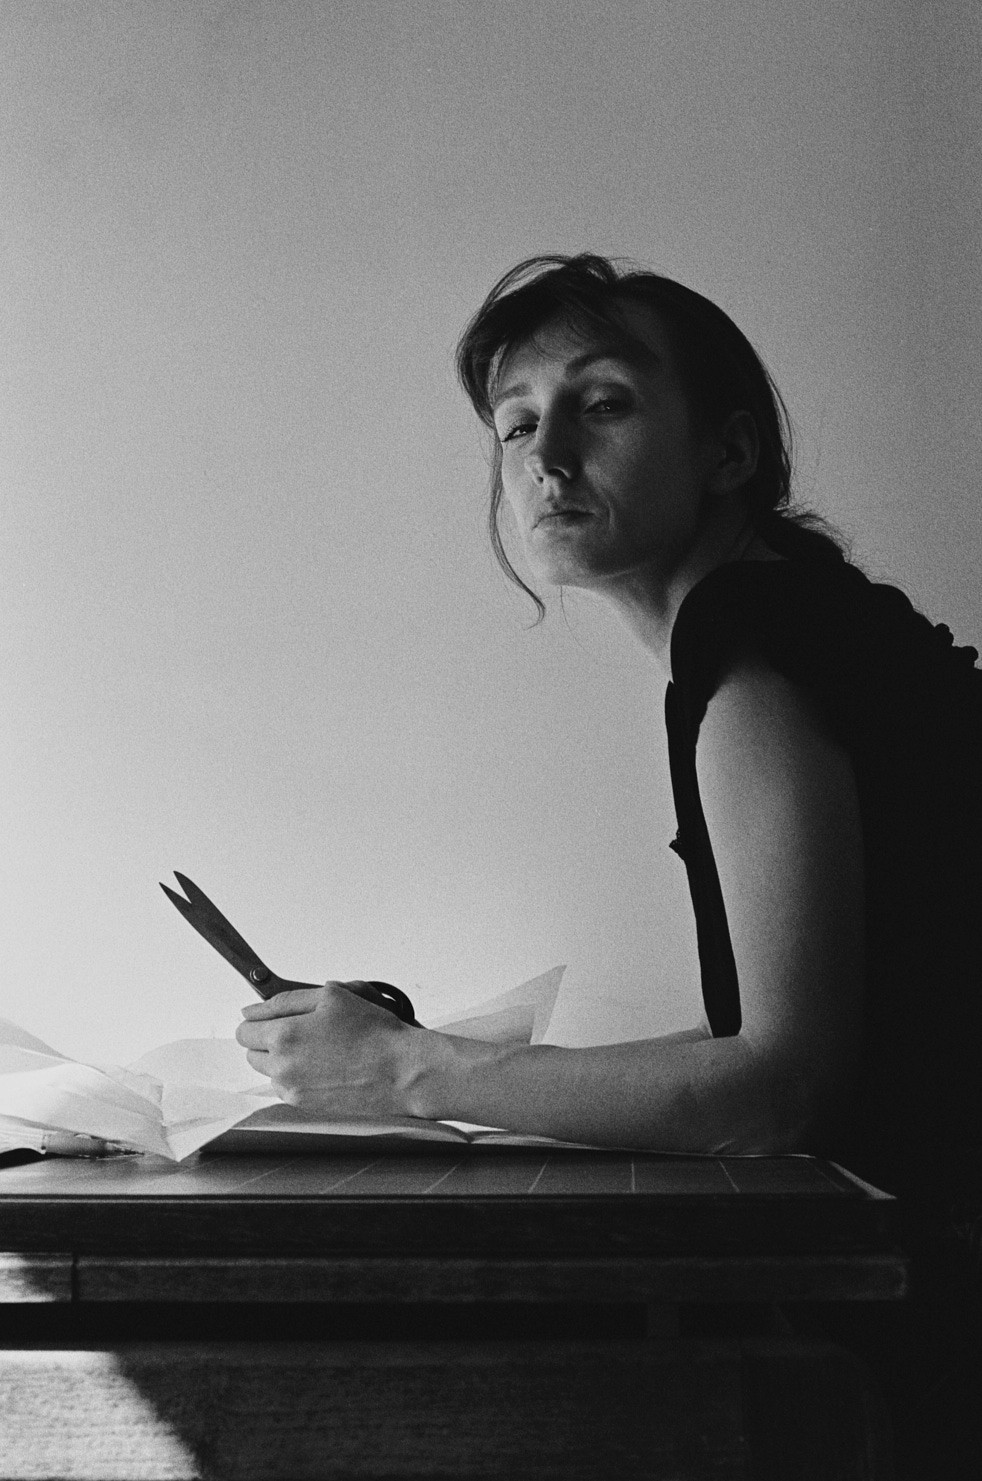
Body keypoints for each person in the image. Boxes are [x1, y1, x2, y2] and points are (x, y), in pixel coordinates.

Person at [236, 253, 982, 1214]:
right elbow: (775, 1039)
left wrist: (406, 1068)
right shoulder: (806, 617)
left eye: (603, 404)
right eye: (516, 422)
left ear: (729, 453)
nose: (546, 457)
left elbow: (783, 1091)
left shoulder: (754, 652)